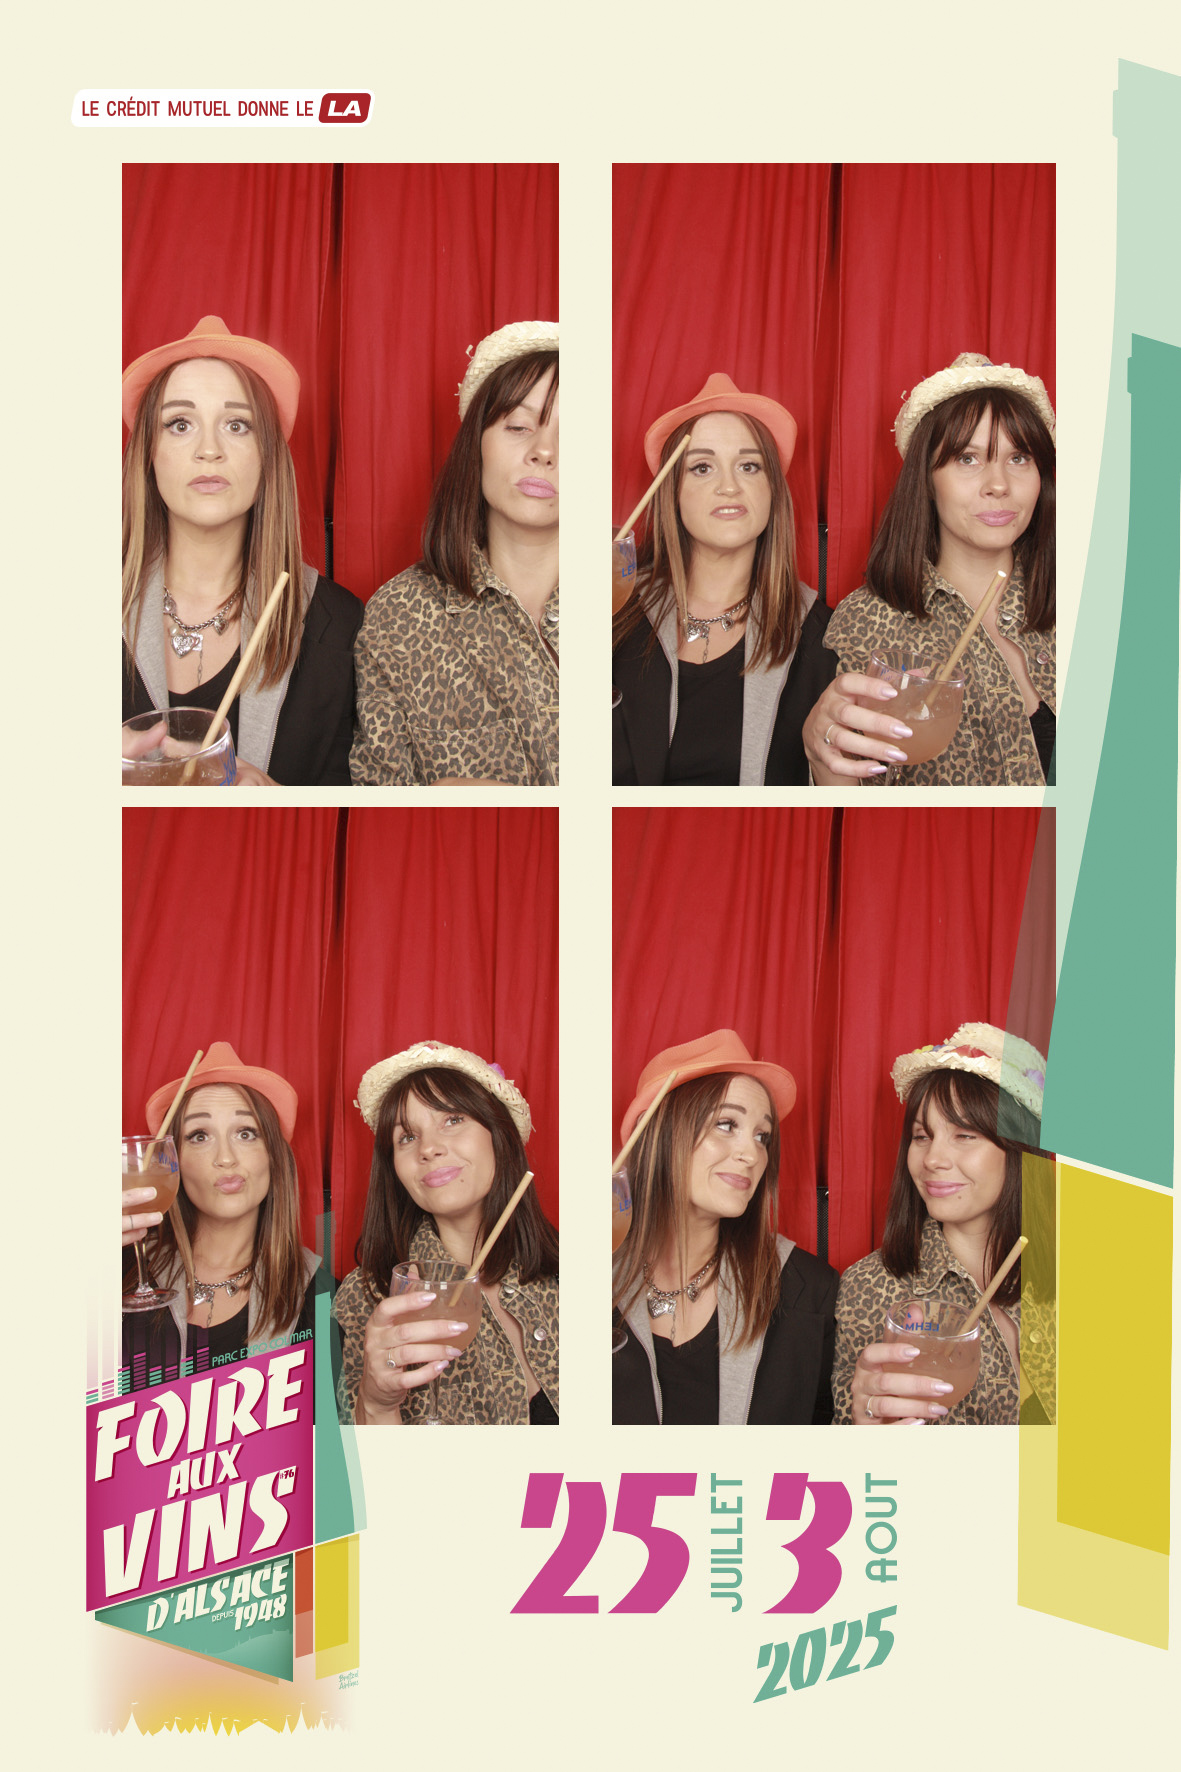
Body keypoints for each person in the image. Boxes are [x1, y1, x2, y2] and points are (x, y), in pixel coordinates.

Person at [122, 315, 362, 786]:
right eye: (179, 424)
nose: (209, 449)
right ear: (148, 453)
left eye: (237, 424)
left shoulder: (339, 625)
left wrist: (280, 807)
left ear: (268, 454)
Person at [805, 353, 1056, 786]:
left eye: (1019, 458)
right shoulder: (866, 622)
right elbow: (849, 800)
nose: (999, 484)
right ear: (927, 480)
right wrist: (822, 757)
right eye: (967, 459)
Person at [351, 322, 559, 786]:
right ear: (476, 444)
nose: (544, 451)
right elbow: (378, 792)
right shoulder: (399, 616)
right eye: (519, 426)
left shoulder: (635, 603)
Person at [613, 375, 836, 786]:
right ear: (671, 492)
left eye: (749, 466)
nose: (729, 486)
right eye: (702, 467)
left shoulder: (824, 639)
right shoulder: (611, 604)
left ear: (773, 489)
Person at [612, 1030, 838, 1424]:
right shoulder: (576, 1275)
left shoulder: (809, 1289)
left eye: (762, 1136)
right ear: (659, 1133)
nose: (752, 1154)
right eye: (726, 1124)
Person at [833, 1022, 1052, 1426]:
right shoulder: (872, 1286)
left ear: (1020, 1150)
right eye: (922, 1136)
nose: (932, 1159)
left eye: (964, 1135)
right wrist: (863, 1431)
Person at [334, 1041, 559, 1424]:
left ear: (499, 1134)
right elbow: (350, 1463)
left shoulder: (576, 1275)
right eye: (407, 1137)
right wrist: (377, 1404)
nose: (429, 1148)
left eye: (452, 1119)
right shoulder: (366, 1298)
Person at [121, 1043, 320, 1385]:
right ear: (172, 1161)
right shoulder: (116, 1269)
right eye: (199, 1136)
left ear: (273, 1155)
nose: (226, 1158)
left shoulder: (322, 1295)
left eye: (246, 1133)